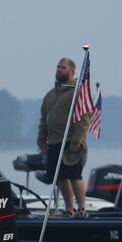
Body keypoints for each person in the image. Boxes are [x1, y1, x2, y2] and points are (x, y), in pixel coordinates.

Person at [38, 57, 91, 216]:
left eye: (63, 67)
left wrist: (77, 140)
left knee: (74, 175)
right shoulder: (50, 95)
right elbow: (43, 119)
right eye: (58, 67)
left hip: (71, 141)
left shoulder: (78, 91)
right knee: (60, 177)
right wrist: (41, 139)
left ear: (72, 71)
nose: (59, 69)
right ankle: (69, 209)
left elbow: (85, 118)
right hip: (55, 141)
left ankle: (82, 209)